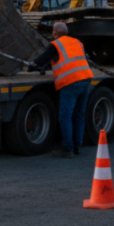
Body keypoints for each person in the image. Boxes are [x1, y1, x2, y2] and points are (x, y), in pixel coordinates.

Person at [31, 22, 94, 158]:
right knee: (79, 115)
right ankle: (76, 146)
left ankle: (67, 149)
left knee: (65, 117)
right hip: (86, 79)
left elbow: (42, 60)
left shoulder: (55, 44)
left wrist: (32, 66)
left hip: (71, 82)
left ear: (55, 33)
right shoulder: (77, 42)